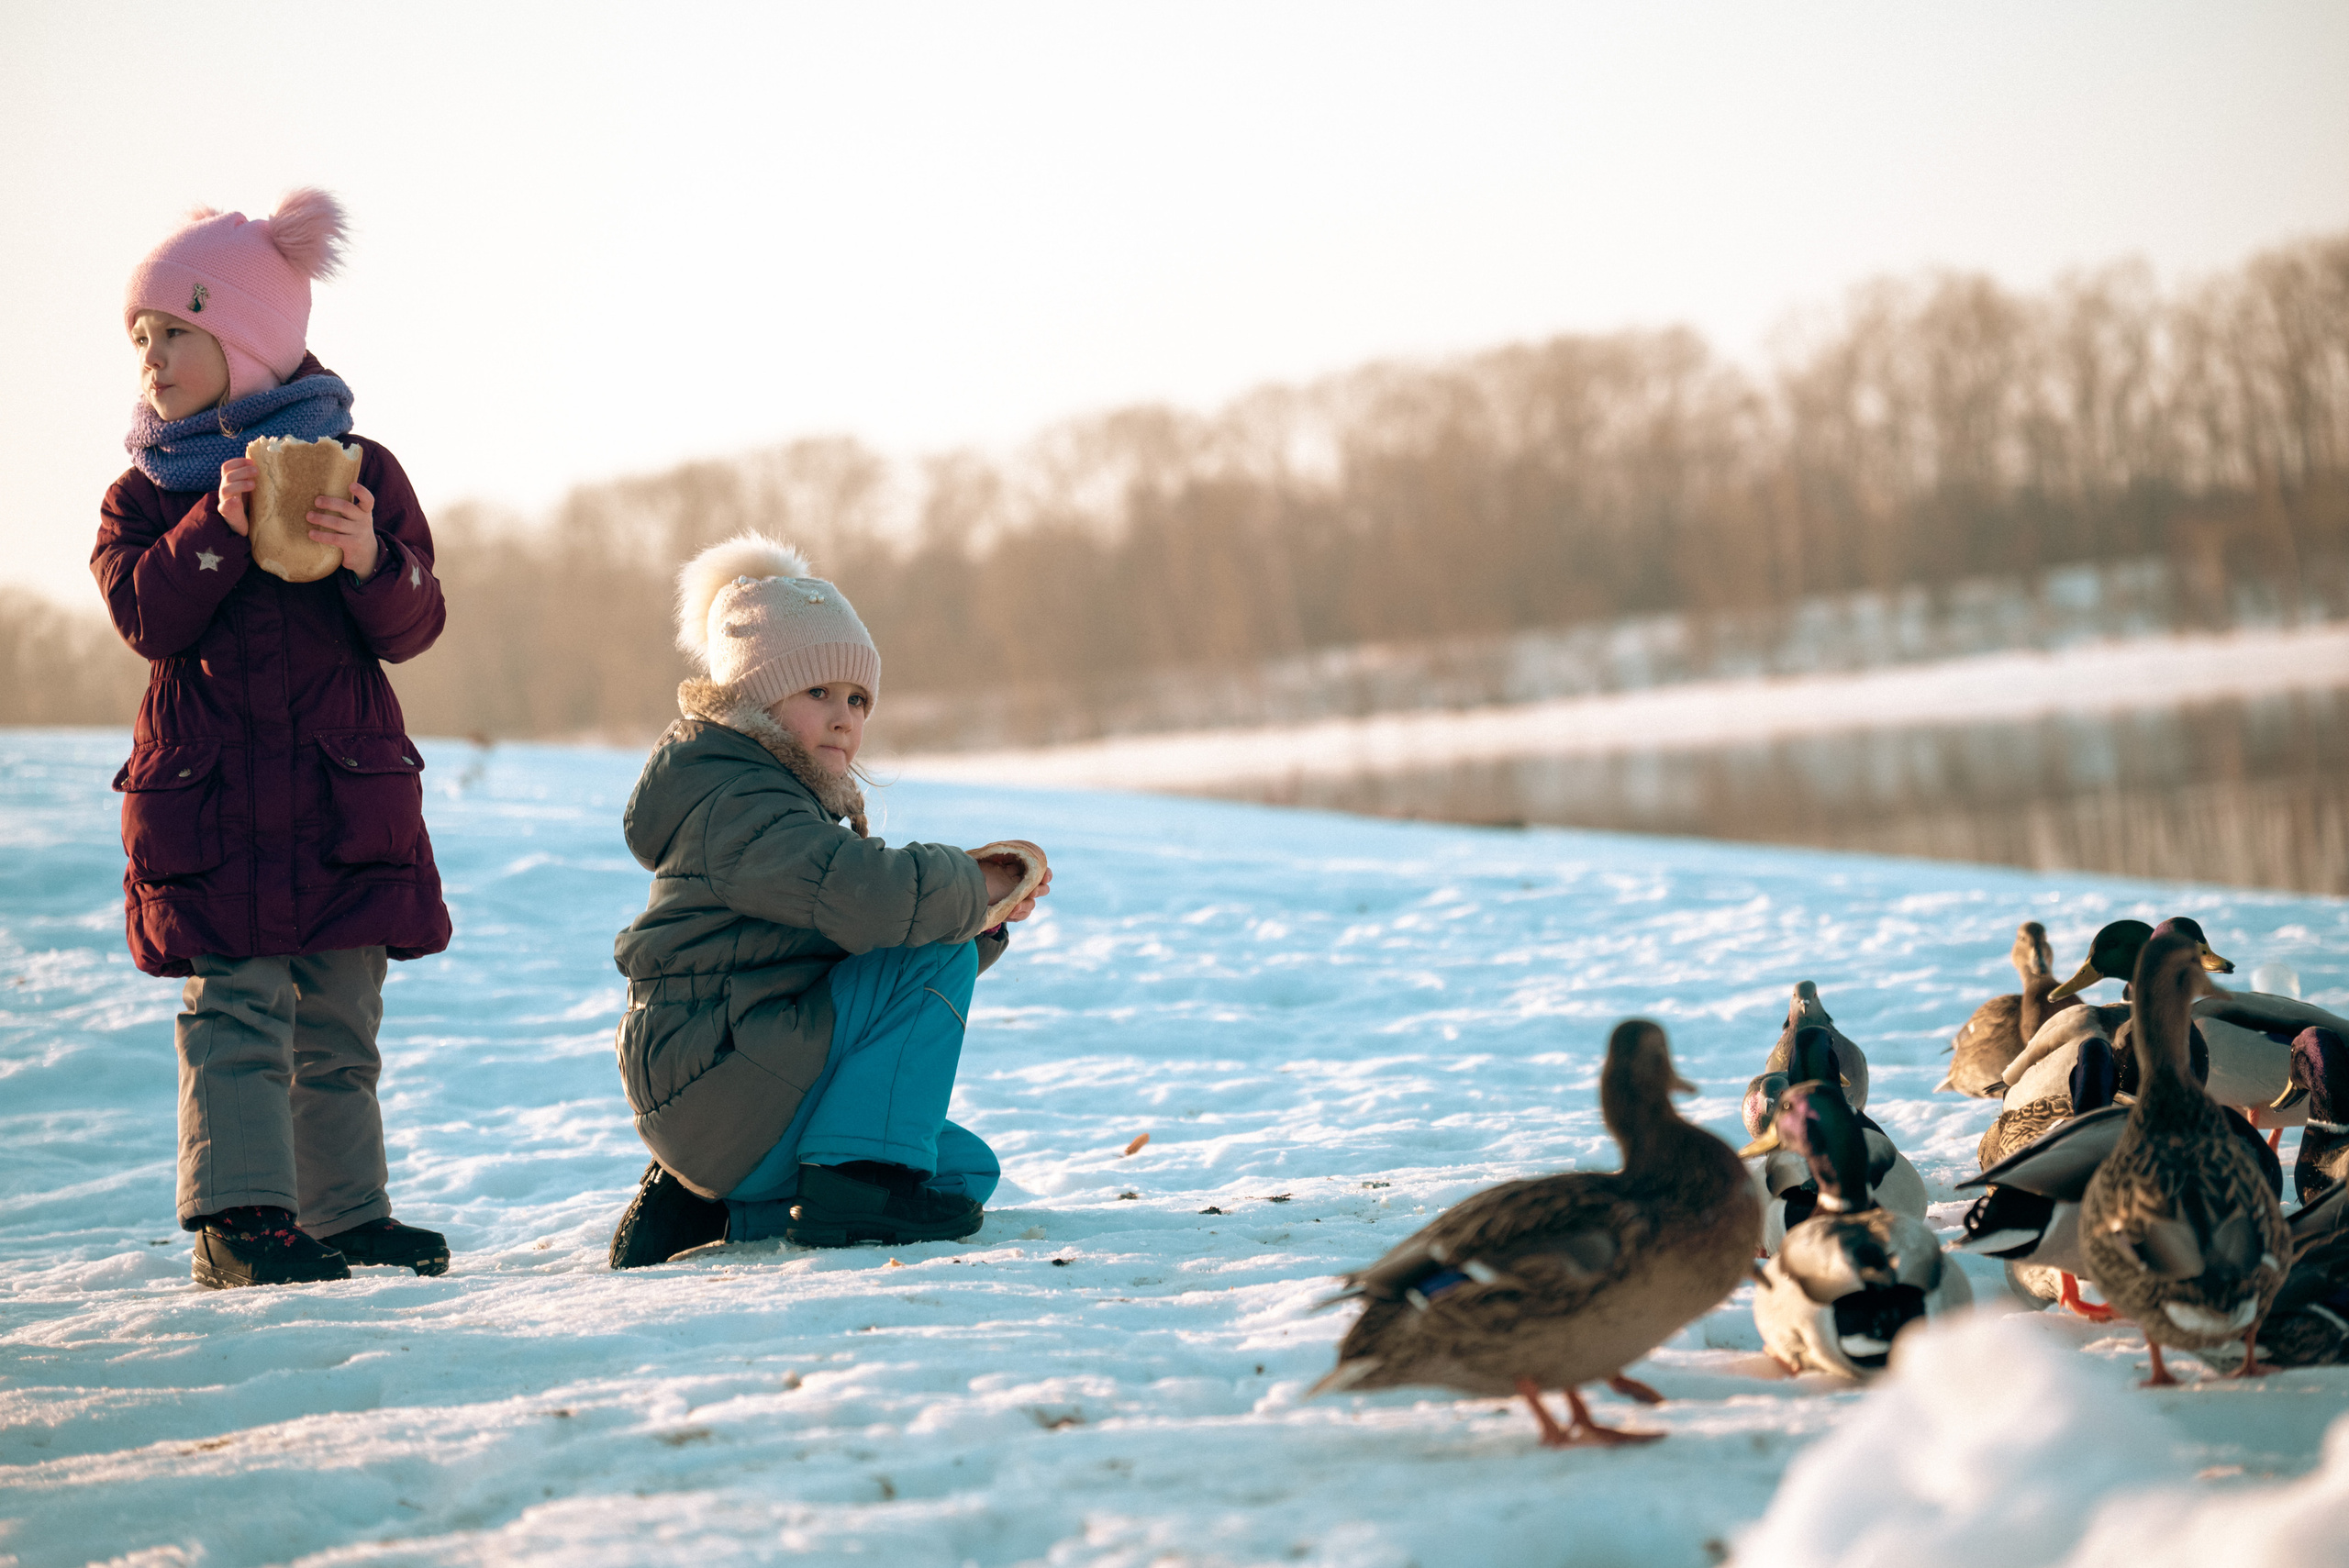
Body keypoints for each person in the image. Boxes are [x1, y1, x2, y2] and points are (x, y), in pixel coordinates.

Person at [92, 190, 453, 1289]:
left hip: (342, 798)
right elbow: (148, 619)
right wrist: (216, 528)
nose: (151, 359)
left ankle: (344, 1214)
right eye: (141, 339)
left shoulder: (358, 469)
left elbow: (417, 620)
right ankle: (240, 1216)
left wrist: (367, 558)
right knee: (238, 1005)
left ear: (246, 342)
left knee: (338, 1014)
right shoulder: (147, 496)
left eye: (176, 334)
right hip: (213, 803)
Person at [607, 533, 1049, 1265]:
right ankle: (851, 1192)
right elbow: (873, 900)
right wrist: (971, 890)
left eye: (857, 698)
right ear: (753, 698)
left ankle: (711, 1204)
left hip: (734, 1079)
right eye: (817, 692)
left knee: (964, 1171)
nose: (845, 717)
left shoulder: (768, 804)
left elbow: (846, 941)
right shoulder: (743, 804)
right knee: (924, 972)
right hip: (716, 1076)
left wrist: (980, 923)